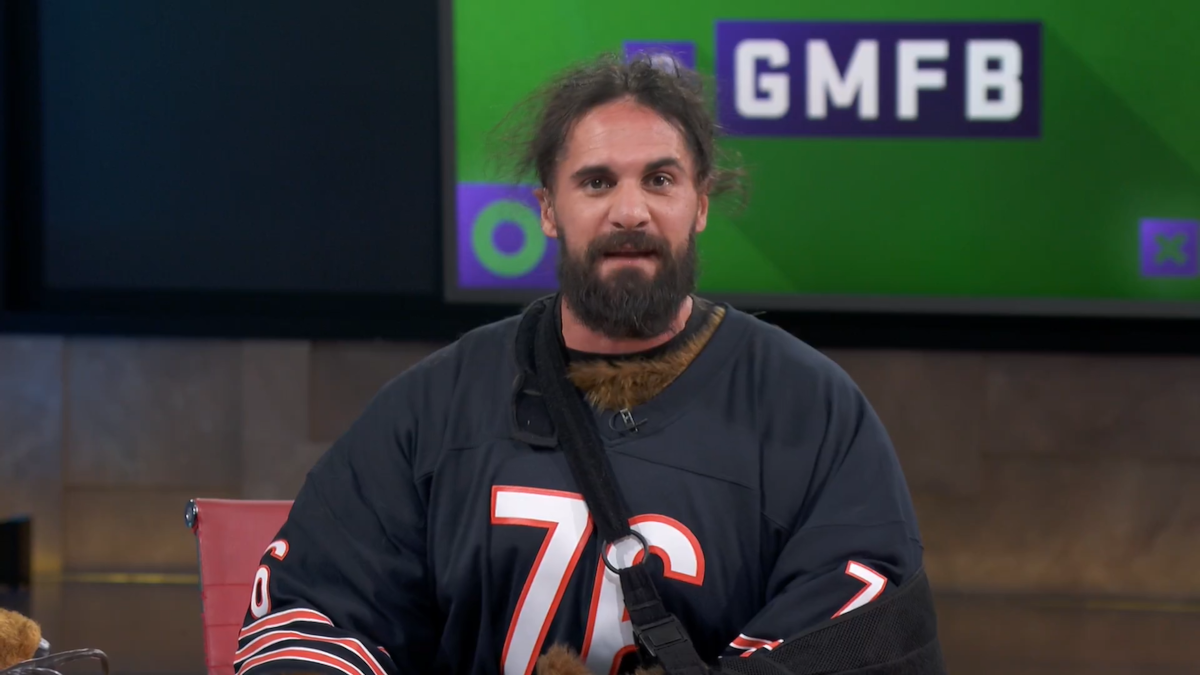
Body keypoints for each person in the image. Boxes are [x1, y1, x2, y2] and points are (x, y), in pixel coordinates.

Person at [233, 53, 944, 675]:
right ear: (548, 209)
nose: (630, 212)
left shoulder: (810, 412)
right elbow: (312, 617)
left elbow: (864, 643)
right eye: (597, 183)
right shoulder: (432, 410)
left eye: (659, 180)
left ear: (700, 204)